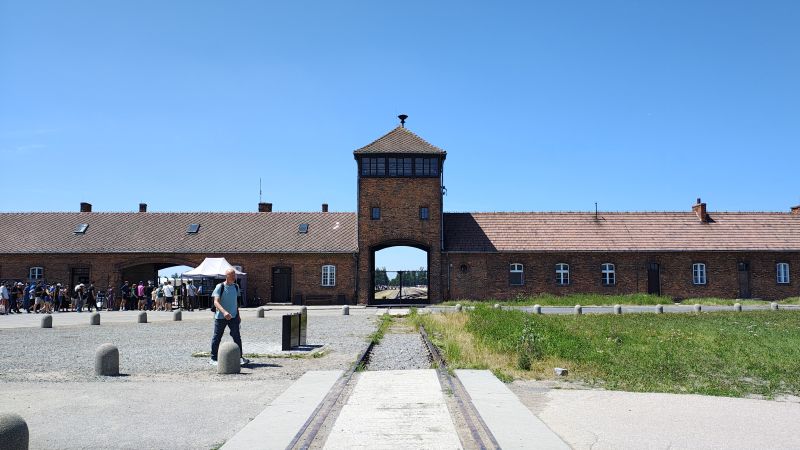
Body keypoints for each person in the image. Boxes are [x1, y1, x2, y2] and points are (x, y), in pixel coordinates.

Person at [209, 268, 248, 366]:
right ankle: (213, 358)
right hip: (220, 317)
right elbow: (216, 302)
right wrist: (224, 312)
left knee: (237, 337)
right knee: (217, 337)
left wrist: (238, 315)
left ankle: (239, 357)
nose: (234, 277)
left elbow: (236, 303)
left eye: (234, 275)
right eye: (232, 275)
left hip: (233, 317)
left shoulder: (236, 287)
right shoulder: (220, 286)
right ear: (227, 276)